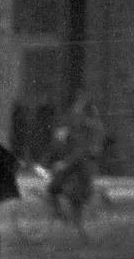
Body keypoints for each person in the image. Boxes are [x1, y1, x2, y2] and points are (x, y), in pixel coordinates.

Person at [44, 94, 105, 237]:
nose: (76, 111)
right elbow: (62, 143)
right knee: (55, 188)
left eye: (79, 108)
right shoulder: (79, 125)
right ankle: (68, 218)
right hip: (75, 163)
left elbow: (82, 150)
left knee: (74, 194)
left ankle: (77, 224)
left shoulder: (93, 128)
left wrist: (64, 163)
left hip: (84, 165)